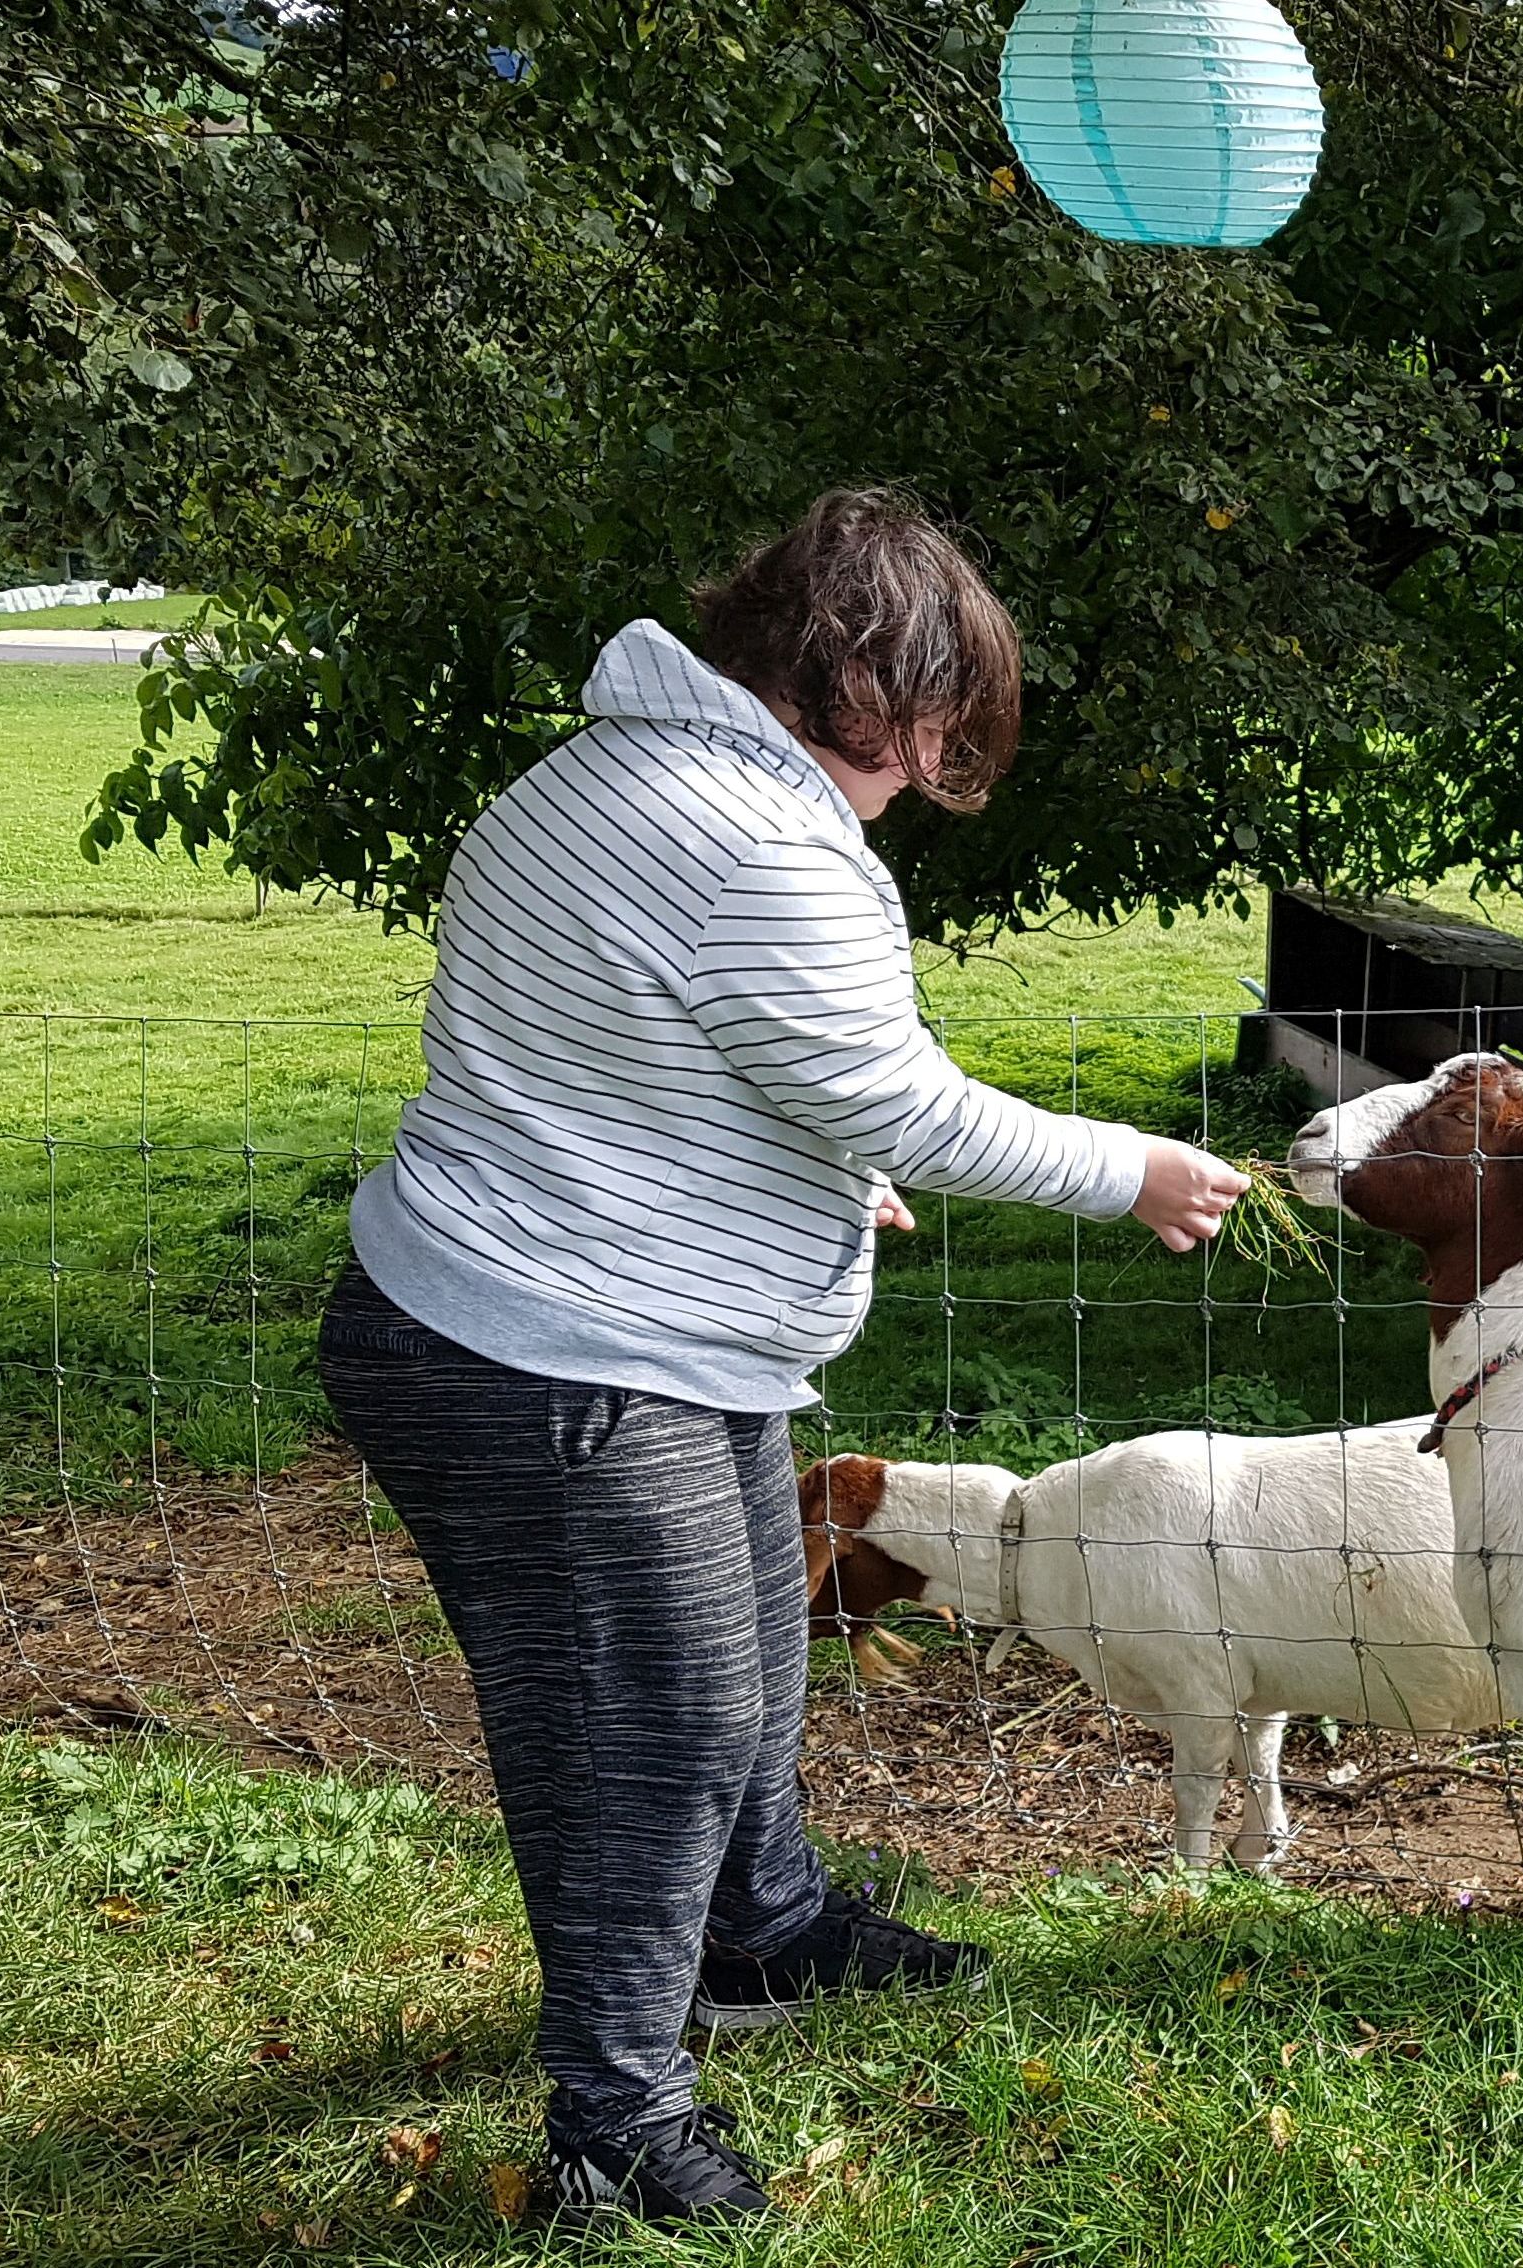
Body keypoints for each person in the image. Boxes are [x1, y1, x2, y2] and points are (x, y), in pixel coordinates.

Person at [315, 489, 1246, 2226]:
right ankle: (616, 2124)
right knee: (644, 1730)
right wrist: (1135, 1172)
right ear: (851, 682)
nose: (921, 782)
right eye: (928, 737)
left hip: (593, 1318)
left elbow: (636, 1045)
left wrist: (815, 1175)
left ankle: (768, 1934)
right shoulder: (762, 836)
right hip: (558, 1357)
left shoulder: (588, 778)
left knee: (748, 1649)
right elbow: (884, 1086)